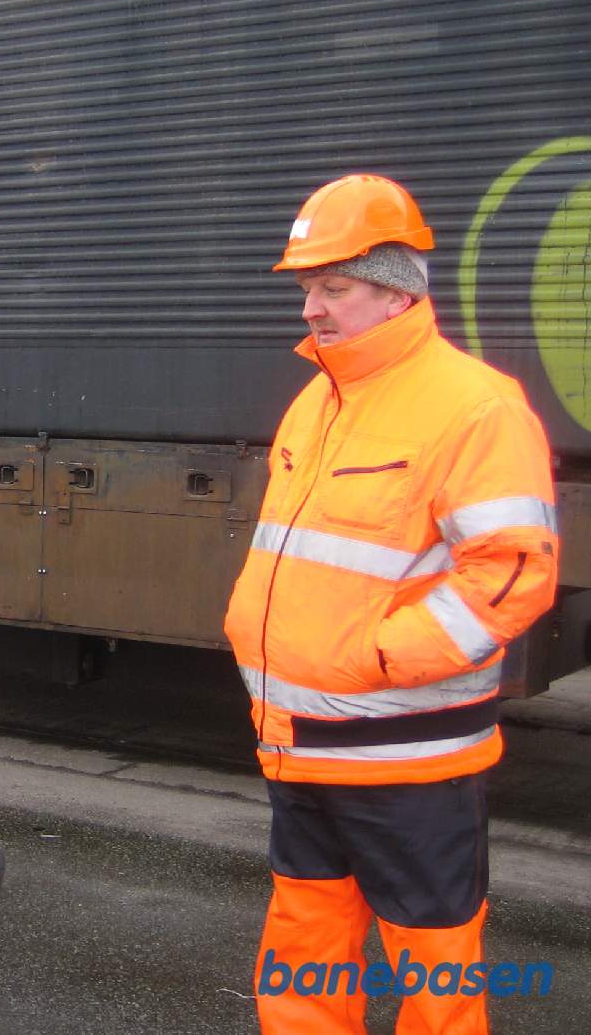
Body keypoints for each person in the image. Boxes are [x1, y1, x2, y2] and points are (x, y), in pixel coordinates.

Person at [223, 175, 558, 1034]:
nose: (312, 309)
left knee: (436, 980)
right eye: (307, 288)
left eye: (333, 287)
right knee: (303, 964)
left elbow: (512, 575)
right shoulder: (318, 401)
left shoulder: (476, 408)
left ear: (397, 289)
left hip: (407, 765)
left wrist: (370, 659)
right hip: (302, 750)